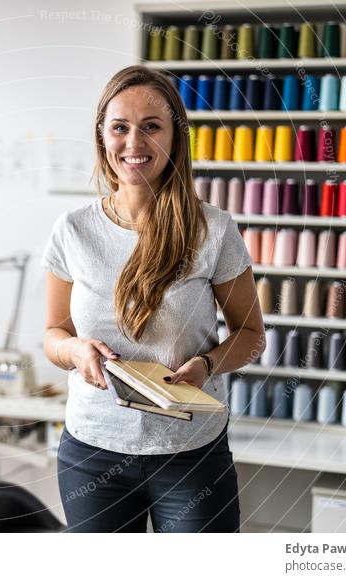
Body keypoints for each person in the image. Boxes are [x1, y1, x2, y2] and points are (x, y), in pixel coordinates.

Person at [41, 65, 265, 533]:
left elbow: (251, 335)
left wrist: (206, 365)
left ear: (175, 136)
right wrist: (75, 350)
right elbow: (53, 334)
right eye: (119, 127)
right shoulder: (74, 230)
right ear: (102, 136)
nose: (134, 143)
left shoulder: (213, 230)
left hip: (190, 453)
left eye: (151, 126)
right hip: (92, 451)